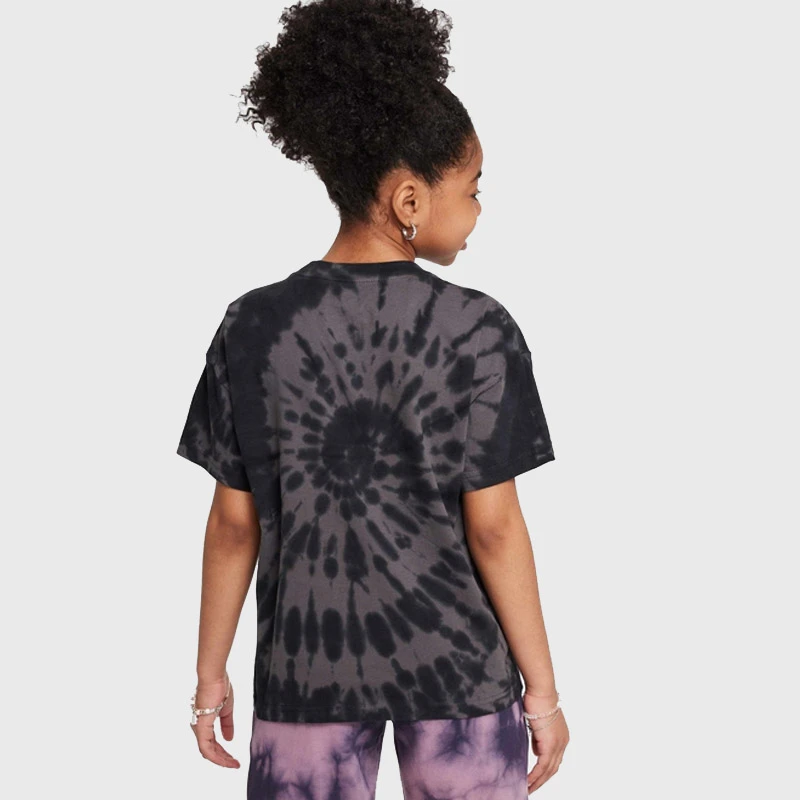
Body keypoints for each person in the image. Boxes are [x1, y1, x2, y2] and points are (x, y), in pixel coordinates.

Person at [175, 0, 569, 796]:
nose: (480, 209)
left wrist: (210, 677)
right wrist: (544, 693)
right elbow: (494, 528)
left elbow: (232, 523)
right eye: (473, 188)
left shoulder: (253, 325)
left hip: (303, 672)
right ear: (410, 201)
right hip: (458, 674)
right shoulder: (478, 329)